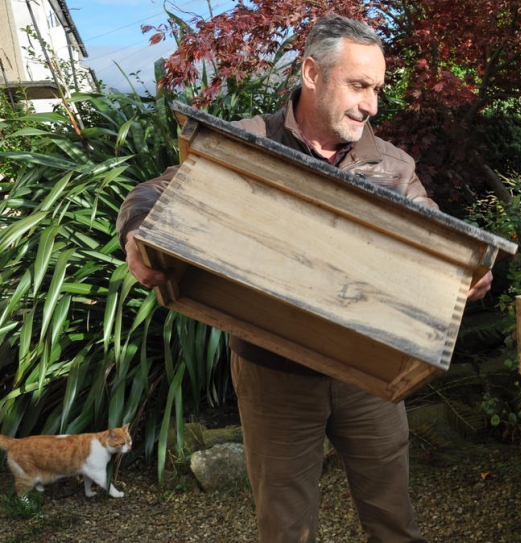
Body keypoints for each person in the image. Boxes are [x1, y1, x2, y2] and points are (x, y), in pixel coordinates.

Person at [116, 14, 492, 543]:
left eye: (377, 89)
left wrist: (466, 273)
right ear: (313, 73)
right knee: (285, 524)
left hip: (370, 371)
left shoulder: (393, 166)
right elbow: (152, 193)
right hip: (273, 372)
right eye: (359, 86)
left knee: (393, 518)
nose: (371, 105)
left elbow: (437, 234)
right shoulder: (246, 142)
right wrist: (137, 234)